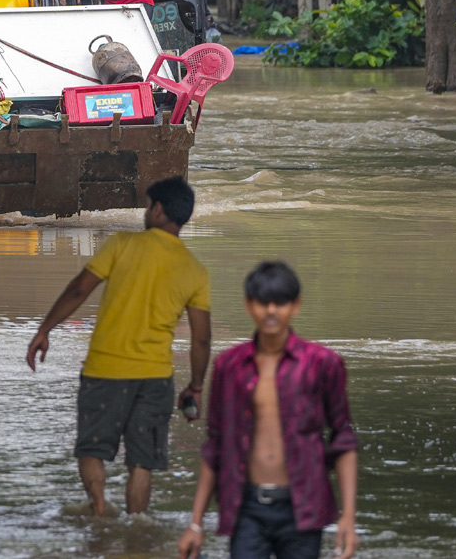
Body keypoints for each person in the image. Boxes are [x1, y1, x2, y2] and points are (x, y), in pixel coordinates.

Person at [26, 175, 211, 515]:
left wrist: (45, 330)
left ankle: (98, 507)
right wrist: (196, 386)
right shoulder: (195, 270)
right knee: (142, 461)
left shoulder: (122, 244)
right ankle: (136, 527)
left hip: (105, 370)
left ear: (158, 209)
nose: (145, 211)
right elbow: (201, 338)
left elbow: (79, 289)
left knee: (92, 449)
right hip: (155, 378)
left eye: (147, 205)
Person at [177, 262, 359, 559]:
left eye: (281, 302)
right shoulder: (229, 366)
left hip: (303, 507)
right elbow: (216, 446)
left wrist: (348, 518)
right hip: (246, 506)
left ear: (295, 306)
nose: (271, 311)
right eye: (262, 302)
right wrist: (195, 524)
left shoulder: (322, 363)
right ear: (249, 305)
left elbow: (343, 440)